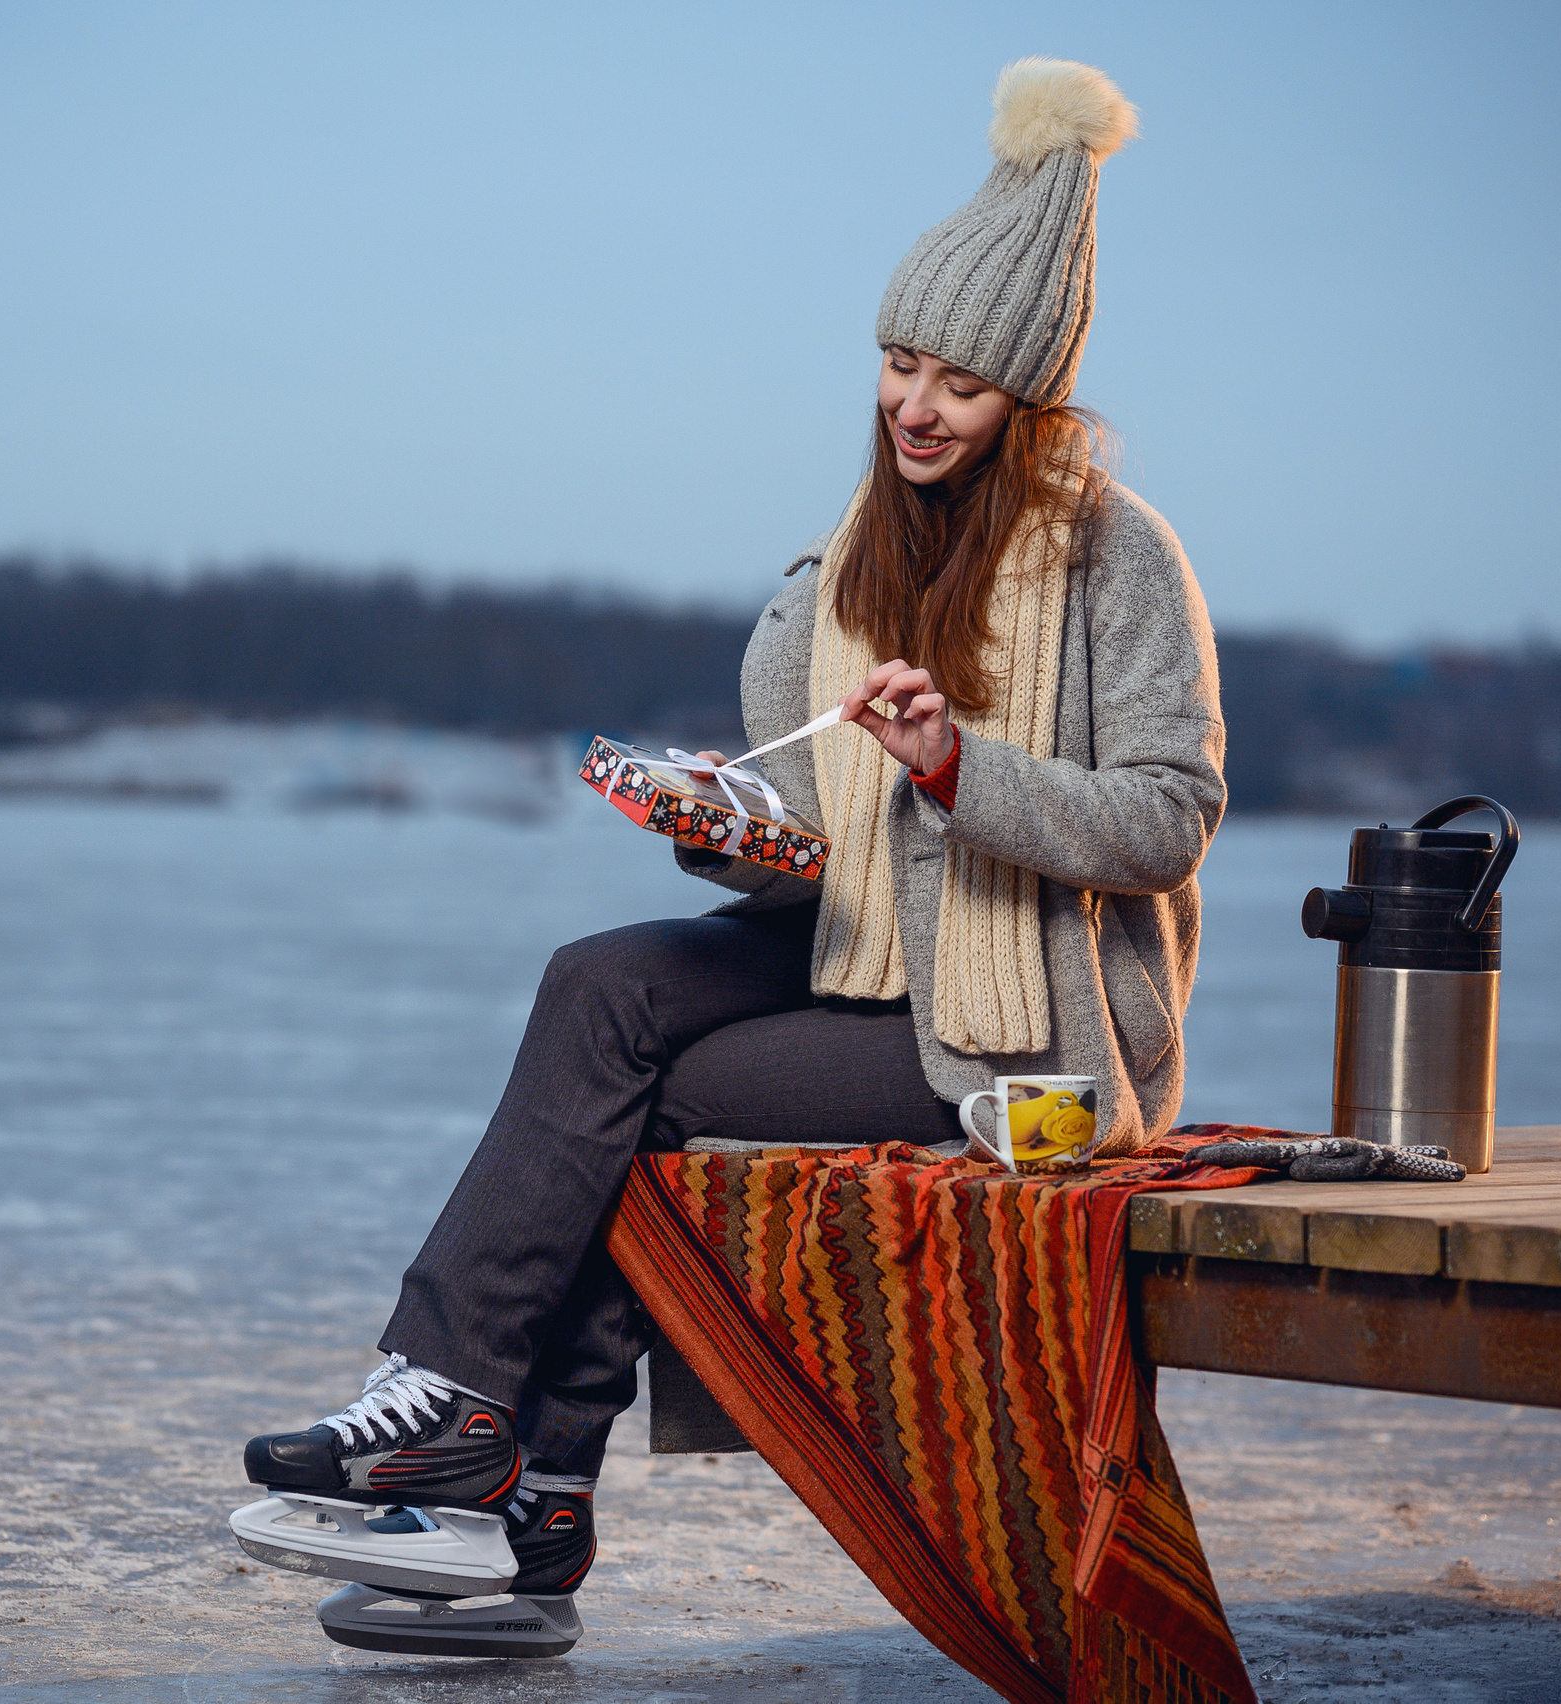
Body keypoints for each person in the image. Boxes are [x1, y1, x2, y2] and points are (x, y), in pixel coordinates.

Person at [231, 56, 1224, 1646]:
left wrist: (964, 766)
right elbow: (823, 862)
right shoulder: (837, 567)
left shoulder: (1118, 555)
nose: (914, 403)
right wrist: (728, 829)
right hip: (863, 957)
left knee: (648, 1105)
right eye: (898, 363)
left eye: (956, 383)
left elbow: (1171, 819)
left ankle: (525, 1495)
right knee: (598, 989)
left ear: (1024, 398)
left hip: (1033, 1041)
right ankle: (451, 1409)